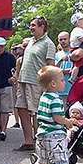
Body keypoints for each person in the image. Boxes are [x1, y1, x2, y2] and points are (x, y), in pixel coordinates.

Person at [19, 65, 78, 164]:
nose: (64, 82)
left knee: (42, 159)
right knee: (60, 163)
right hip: (54, 135)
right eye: (62, 80)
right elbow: (57, 117)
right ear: (53, 83)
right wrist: (67, 122)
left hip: (42, 134)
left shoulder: (44, 97)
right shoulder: (56, 98)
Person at [14, 16, 56, 152]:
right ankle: (28, 141)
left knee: (37, 112)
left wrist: (49, 85)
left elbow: (50, 66)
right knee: (21, 109)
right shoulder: (31, 41)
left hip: (36, 82)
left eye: (33, 25)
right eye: (31, 25)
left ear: (42, 27)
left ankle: (41, 142)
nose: (31, 28)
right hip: (23, 80)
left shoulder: (48, 44)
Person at [68, 12, 83, 84]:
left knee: (75, 64)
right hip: (76, 49)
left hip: (73, 49)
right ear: (78, 22)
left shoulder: (76, 30)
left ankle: (72, 72)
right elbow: (82, 39)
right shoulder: (78, 30)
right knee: (77, 65)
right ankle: (73, 77)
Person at [55, 31, 73, 103]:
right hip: (60, 91)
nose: (63, 41)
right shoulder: (57, 55)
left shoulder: (74, 53)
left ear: (69, 39)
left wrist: (62, 71)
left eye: (65, 39)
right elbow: (54, 70)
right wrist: (60, 60)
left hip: (72, 89)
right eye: (61, 39)